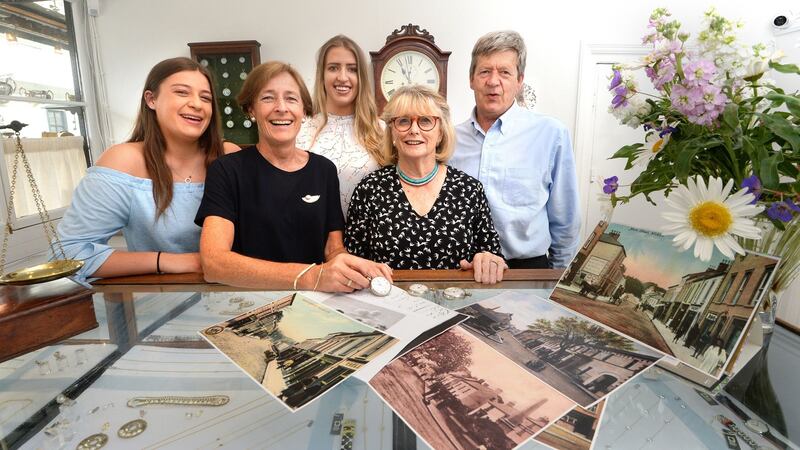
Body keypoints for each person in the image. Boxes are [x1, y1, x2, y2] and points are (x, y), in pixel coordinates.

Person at [196, 61, 391, 291]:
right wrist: (311, 277)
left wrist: (350, 265)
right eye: (268, 98)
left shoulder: (324, 170)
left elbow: (333, 248)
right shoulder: (227, 170)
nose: (281, 107)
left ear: (303, 110)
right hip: (249, 306)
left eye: (291, 98)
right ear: (251, 110)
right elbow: (214, 263)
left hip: (314, 307)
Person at [57, 57, 239, 282]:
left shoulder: (228, 156)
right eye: (182, 92)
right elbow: (68, 254)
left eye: (206, 98)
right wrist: (171, 261)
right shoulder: (124, 161)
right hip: (160, 303)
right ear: (151, 99)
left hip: (236, 298)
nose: (197, 104)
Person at [345, 85, 506, 284]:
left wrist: (488, 261)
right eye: (403, 121)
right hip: (389, 307)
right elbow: (352, 263)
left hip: (457, 307)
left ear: (440, 132)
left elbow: (492, 255)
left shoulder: (469, 189)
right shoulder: (369, 190)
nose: (414, 130)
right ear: (392, 133)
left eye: (425, 121)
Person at [449, 30, 581, 269]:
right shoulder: (448, 140)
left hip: (526, 270)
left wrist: (556, 282)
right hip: (463, 269)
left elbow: (566, 221)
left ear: (519, 81)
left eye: (505, 73)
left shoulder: (551, 135)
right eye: (485, 71)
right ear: (471, 79)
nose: (493, 81)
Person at [296, 35, 384, 217]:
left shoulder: (382, 130)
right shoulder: (301, 130)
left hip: (368, 241)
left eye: (352, 69)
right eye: (333, 68)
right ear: (322, 74)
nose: (342, 77)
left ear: (361, 78)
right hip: (312, 239)